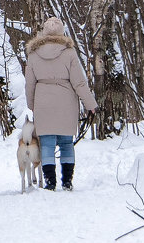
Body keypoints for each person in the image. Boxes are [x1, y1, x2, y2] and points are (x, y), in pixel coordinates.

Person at [24, 17, 98, 191]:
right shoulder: (69, 52)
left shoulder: (33, 54)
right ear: (61, 32)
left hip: (43, 101)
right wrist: (90, 104)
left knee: (47, 143)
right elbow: (79, 82)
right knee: (66, 143)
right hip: (66, 100)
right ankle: (67, 181)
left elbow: (29, 84)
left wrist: (32, 104)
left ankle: (50, 182)